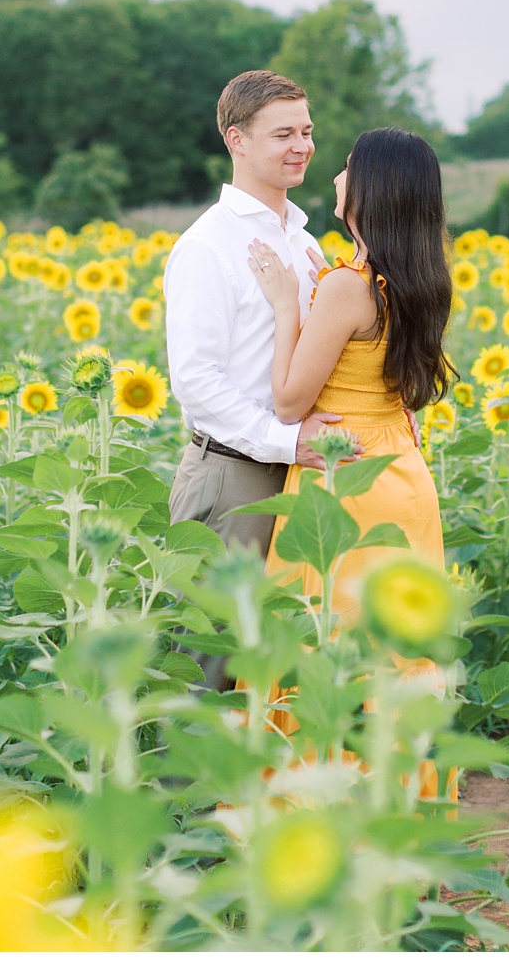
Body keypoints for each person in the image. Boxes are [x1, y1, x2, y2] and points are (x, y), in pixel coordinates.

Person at [245, 126, 455, 715]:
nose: (335, 175)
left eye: (347, 166)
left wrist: (290, 304)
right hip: (402, 475)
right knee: (396, 651)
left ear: (369, 189)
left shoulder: (345, 287)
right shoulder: (420, 277)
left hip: (345, 472)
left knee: (326, 647)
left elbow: (289, 402)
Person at [165, 69, 360, 692]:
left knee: (283, 659)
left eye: (306, 131)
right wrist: (285, 442)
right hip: (235, 475)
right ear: (237, 140)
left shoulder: (303, 241)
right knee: (213, 658)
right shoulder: (209, 246)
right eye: (283, 134)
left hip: (301, 471)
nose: (301, 145)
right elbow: (196, 381)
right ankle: (187, 793)